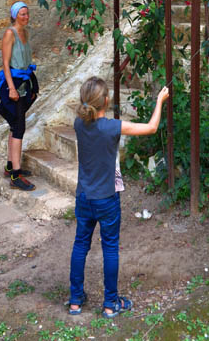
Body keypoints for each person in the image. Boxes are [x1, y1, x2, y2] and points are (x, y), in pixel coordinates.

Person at [68, 76, 169, 318]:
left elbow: (89, 119)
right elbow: (152, 128)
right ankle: (110, 303)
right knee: (110, 248)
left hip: (84, 197)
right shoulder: (112, 127)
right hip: (107, 199)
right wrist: (160, 100)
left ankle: (75, 300)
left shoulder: (78, 125)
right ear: (105, 101)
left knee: (80, 244)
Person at [0, 1, 38, 191]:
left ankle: (10, 166)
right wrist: (12, 89)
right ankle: (16, 175)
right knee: (18, 128)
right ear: (14, 16)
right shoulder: (9, 34)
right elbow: (5, 64)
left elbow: (27, 62)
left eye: (27, 13)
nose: (25, 17)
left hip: (24, 84)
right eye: (22, 14)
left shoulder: (25, 33)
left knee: (16, 126)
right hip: (14, 86)